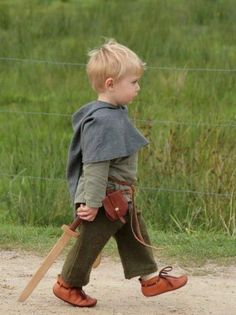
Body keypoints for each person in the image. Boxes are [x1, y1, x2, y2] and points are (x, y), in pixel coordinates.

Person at [53, 39, 188, 307]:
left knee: (134, 230)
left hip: (120, 194)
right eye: (134, 82)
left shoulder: (115, 112)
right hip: (104, 197)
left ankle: (149, 278)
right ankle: (68, 284)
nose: (138, 87)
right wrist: (90, 203)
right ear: (110, 84)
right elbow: (95, 166)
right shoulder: (103, 121)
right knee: (90, 242)